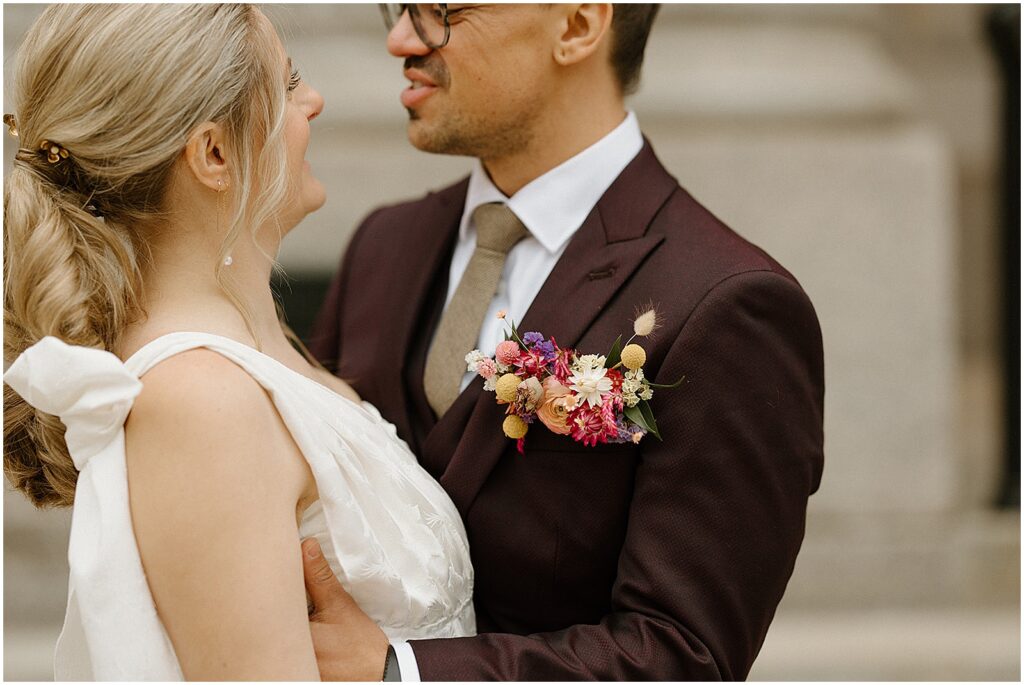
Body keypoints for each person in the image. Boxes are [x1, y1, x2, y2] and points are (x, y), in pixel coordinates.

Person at [306, 3, 825, 680]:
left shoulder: (730, 304)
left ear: (578, 25)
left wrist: (400, 672)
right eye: (398, 7)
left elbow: (681, 654)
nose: (400, 39)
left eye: (440, 10)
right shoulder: (383, 245)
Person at [3, 4, 474, 680]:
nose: (314, 100)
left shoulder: (252, 348)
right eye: (287, 84)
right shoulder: (201, 403)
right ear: (214, 153)